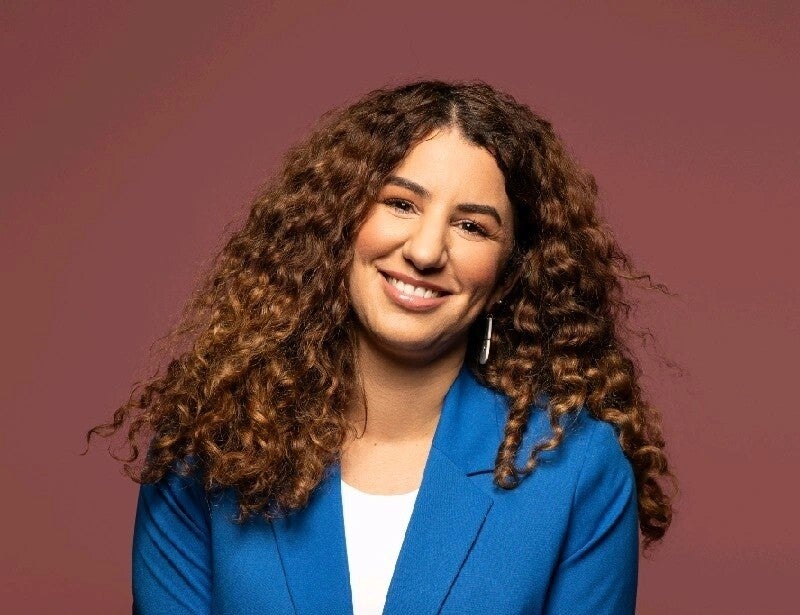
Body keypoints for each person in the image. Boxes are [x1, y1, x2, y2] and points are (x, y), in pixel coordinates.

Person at [89, 80, 675, 614]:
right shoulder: (209, 441)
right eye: (401, 203)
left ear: (507, 275)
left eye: (472, 226)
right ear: (340, 222)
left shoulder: (577, 469)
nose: (425, 251)